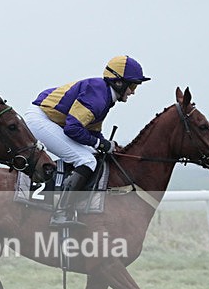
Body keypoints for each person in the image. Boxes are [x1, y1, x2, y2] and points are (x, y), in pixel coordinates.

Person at [24, 55, 150, 227]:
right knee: (86, 160)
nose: (133, 91)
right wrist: (100, 144)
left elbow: (92, 130)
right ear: (119, 82)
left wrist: (105, 144)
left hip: (53, 119)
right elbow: (72, 129)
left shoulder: (104, 95)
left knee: (93, 154)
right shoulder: (98, 97)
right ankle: (61, 212)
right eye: (133, 85)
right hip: (41, 120)